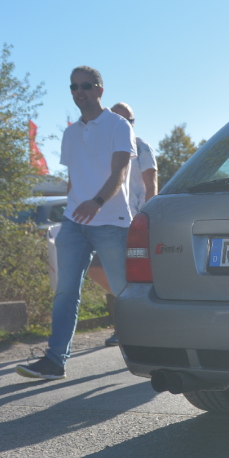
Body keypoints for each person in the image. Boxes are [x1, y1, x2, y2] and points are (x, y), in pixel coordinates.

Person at [16, 66, 134, 380]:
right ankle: (55, 361)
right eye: (74, 87)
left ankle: (150, 352)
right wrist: (71, 212)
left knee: (125, 293)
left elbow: (120, 174)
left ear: (99, 90)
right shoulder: (70, 133)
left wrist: (96, 203)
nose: (79, 91)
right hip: (74, 223)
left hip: (110, 221)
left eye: (85, 85)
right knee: (66, 292)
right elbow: (73, 180)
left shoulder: (118, 125)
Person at [86, 101, 156, 346]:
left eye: (129, 120)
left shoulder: (141, 146)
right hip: (107, 221)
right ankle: (136, 317)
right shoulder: (101, 149)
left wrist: (147, 221)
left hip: (134, 222)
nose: (124, 124)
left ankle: (128, 326)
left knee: (131, 276)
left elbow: (151, 186)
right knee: (98, 269)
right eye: (118, 118)